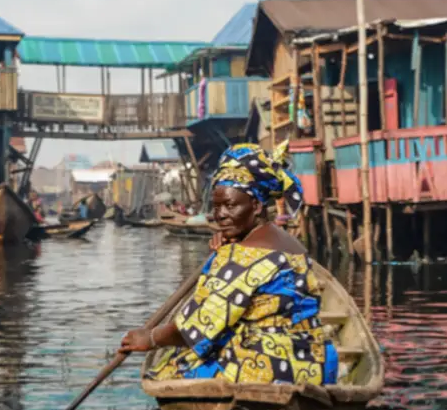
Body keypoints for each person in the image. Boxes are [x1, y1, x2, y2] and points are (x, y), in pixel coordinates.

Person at [120, 143, 338, 386]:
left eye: (231, 205)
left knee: (171, 366)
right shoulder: (290, 244)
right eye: (217, 207)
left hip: (268, 370)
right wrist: (225, 253)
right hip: (317, 363)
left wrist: (150, 337)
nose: (220, 214)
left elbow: (197, 328)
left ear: (255, 206)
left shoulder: (242, 256)